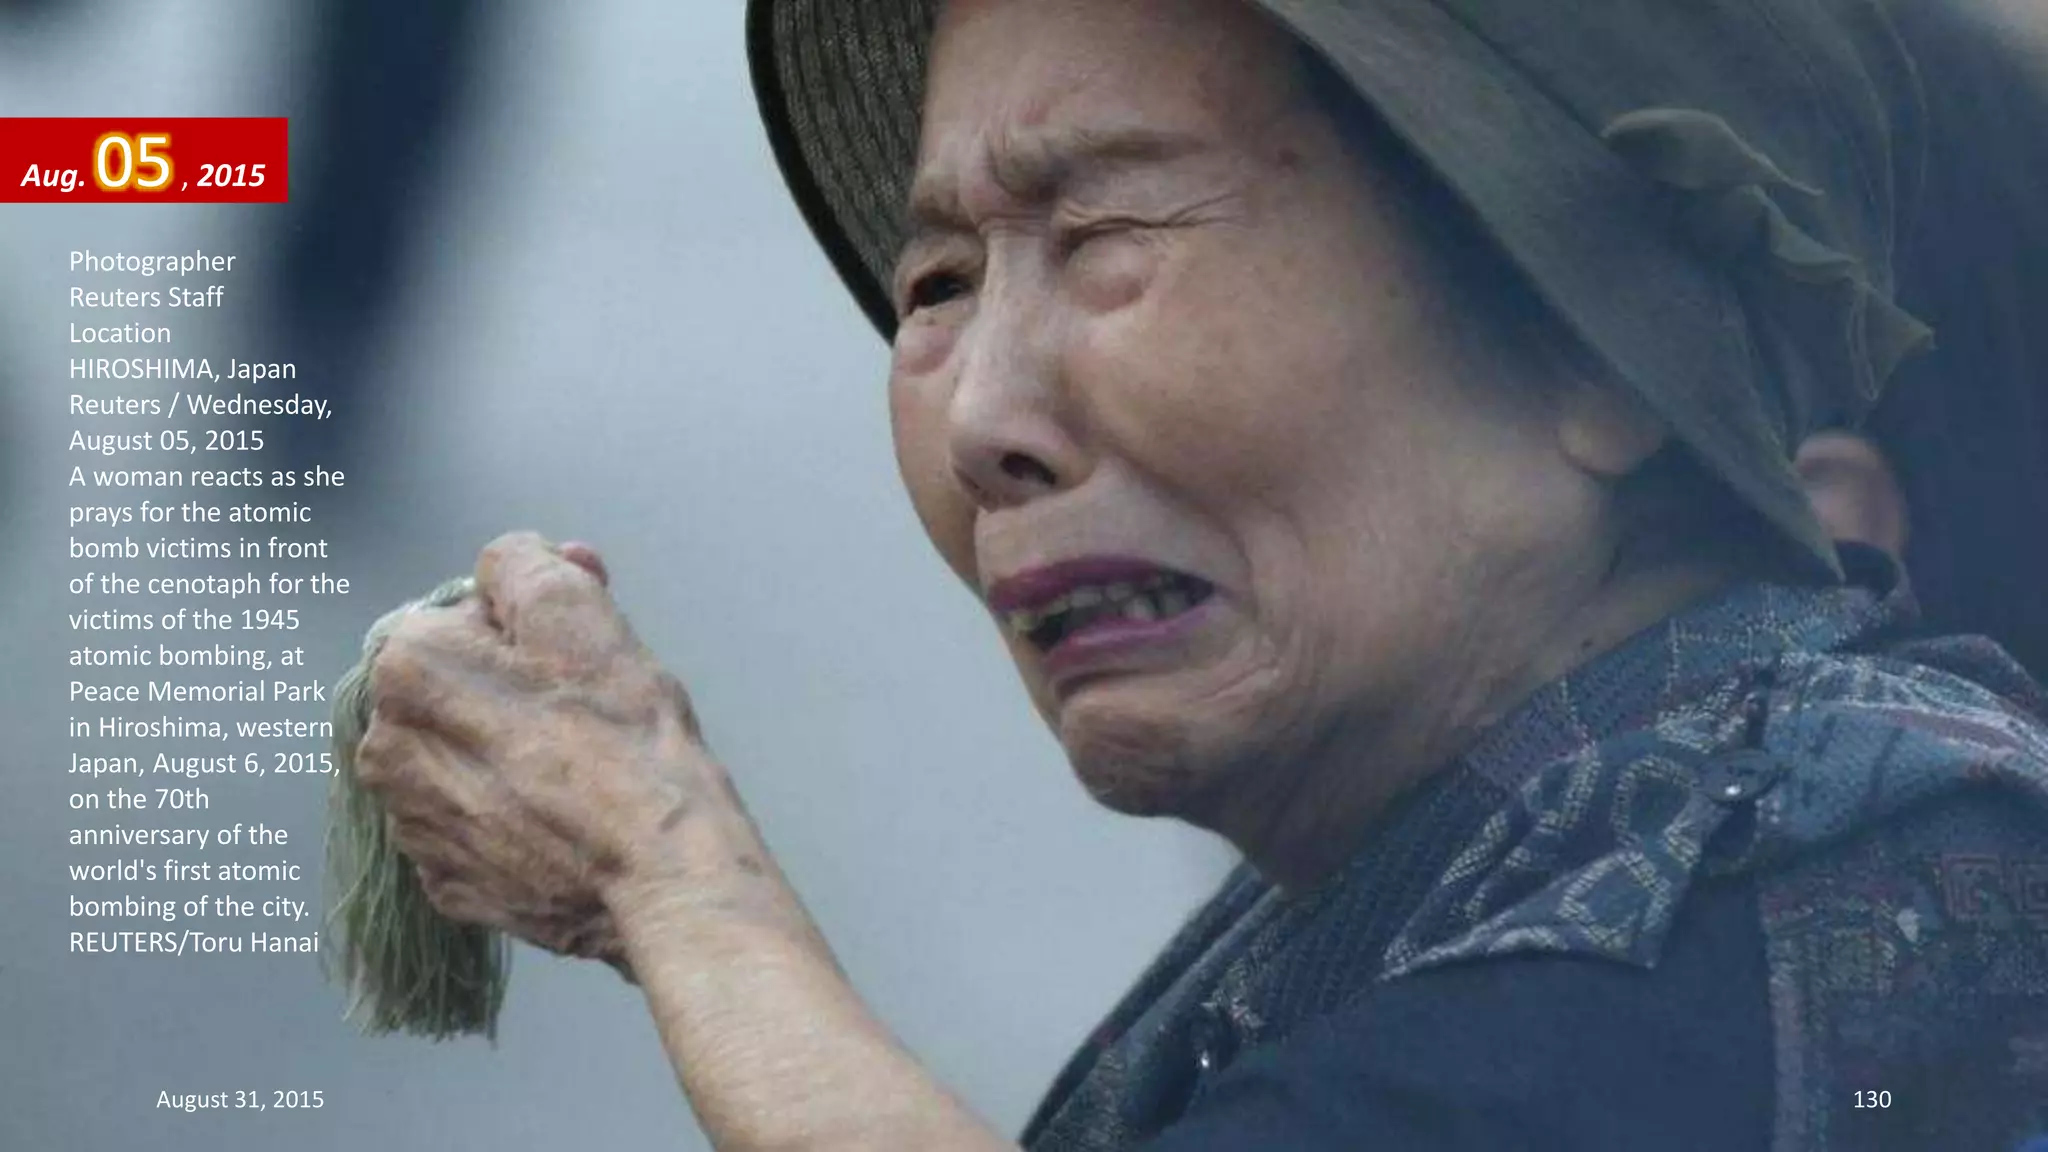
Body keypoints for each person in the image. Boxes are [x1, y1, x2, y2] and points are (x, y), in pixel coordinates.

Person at [352, 0, 2048, 1148]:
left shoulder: (1746, 929)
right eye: (939, 284)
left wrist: (676, 876)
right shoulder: (1541, 845)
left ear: (1595, 351)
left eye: (1107, 239)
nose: (982, 423)